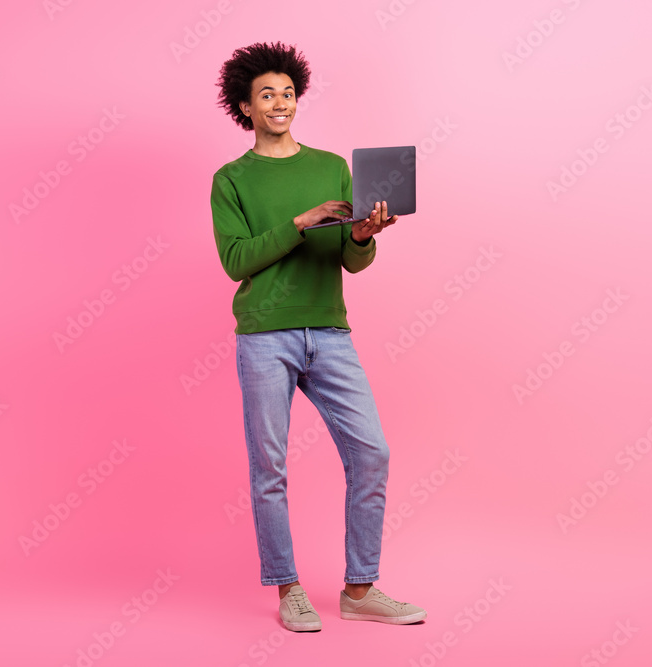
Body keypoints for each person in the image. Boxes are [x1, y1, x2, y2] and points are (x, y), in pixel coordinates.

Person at [210, 41, 426, 632]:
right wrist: (300, 223)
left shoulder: (332, 165)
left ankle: (360, 588)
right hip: (264, 337)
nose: (280, 103)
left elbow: (351, 262)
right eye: (266, 95)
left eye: (287, 93)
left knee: (371, 452)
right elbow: (236, 260)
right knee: (270, 467)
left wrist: (363, 235)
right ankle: (288, 589)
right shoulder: (231, 179)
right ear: (245, 107)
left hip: (329, 331)